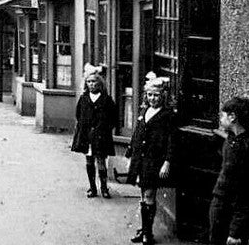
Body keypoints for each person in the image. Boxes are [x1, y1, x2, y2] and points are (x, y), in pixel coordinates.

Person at [209, 96, 249, 245]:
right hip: (220, 208)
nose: (220, 119)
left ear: (233, 117)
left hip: (236, 215)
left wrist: (236, 231)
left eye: (222, 115)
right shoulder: (231, 139)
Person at [126, 74, 176, 245]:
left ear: (163, 96)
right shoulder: (144, 111)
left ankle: (148, 234)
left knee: (149, 195)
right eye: (149, 95)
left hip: (155, 161)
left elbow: (171, 140)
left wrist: (167, 162)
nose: (152, 98)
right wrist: (129, 155)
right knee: (142, 194)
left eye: (156, 95)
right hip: (140, 159)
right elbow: (136, 135)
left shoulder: (167, 115)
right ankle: (144, 229)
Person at [70, 63, 117, 198]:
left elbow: (113, 118)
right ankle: (92, 187)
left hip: (101, 136)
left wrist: (105, 129)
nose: (91, 84)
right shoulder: (84, 99)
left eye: (94, 81)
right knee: (89, 160)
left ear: (99, 83)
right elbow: (79, 115)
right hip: (86, 135)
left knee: (101, 161)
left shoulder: (106, 100)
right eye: (89, 82)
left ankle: (104, 188)